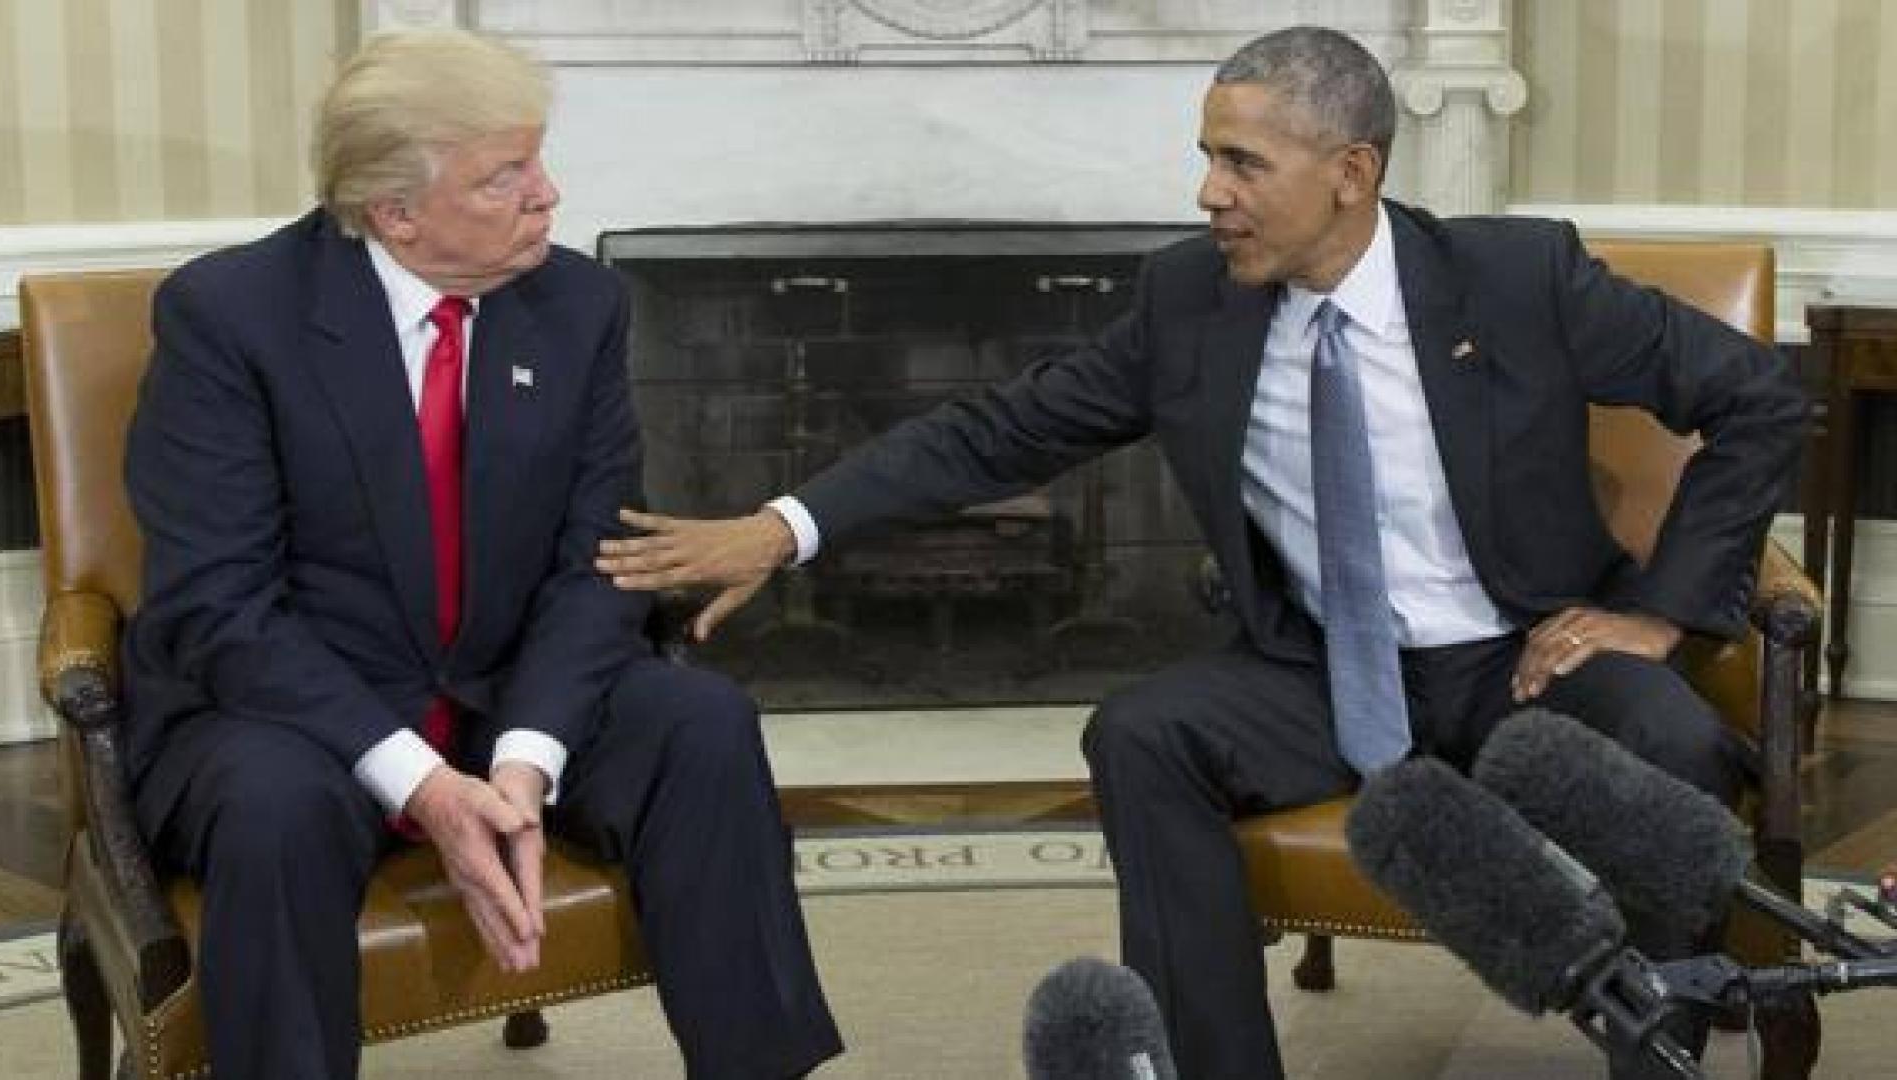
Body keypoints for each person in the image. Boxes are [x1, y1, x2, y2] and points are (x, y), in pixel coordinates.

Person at [596, 24, 1807, 1080]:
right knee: (1143, 730)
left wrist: (1655, 616)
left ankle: (1658, 1055)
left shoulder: (1515, 277)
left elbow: (1755, 396)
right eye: (1206, 157)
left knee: (1671, 739)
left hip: (1521, 650)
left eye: (1241, 162)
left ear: (1351, 173)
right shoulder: (1191, 303)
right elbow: (999, 431)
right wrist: (782, 527)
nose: (1208, 194)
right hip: (1323, 671)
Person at [121, 29, 842, 1080]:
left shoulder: (578, 306)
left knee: (701, 722)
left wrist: (524, 760)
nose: (548, 195)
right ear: (395, 210)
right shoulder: (231, 318)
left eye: (539, 161)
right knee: (274, 807)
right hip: (294, 712)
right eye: (507, 175)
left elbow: (598, 558)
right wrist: (421, 782)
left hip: (510, 686)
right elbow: (218, 607)